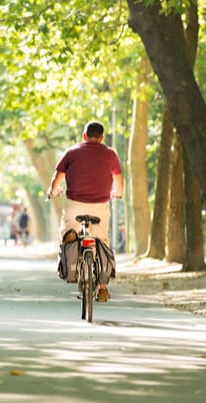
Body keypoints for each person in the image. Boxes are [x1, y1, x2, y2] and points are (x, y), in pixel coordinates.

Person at [47, 120, 124, 302]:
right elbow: (118, 180)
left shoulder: (72, 152)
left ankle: (71, 246)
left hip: (75, 204)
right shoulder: (110, 154)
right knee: (102, 241)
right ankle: (103, 287)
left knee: (66, 231)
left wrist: (52, 191)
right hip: (100, 206)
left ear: (84, 135)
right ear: (101, 137)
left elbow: (57, 178)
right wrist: (118, 194)